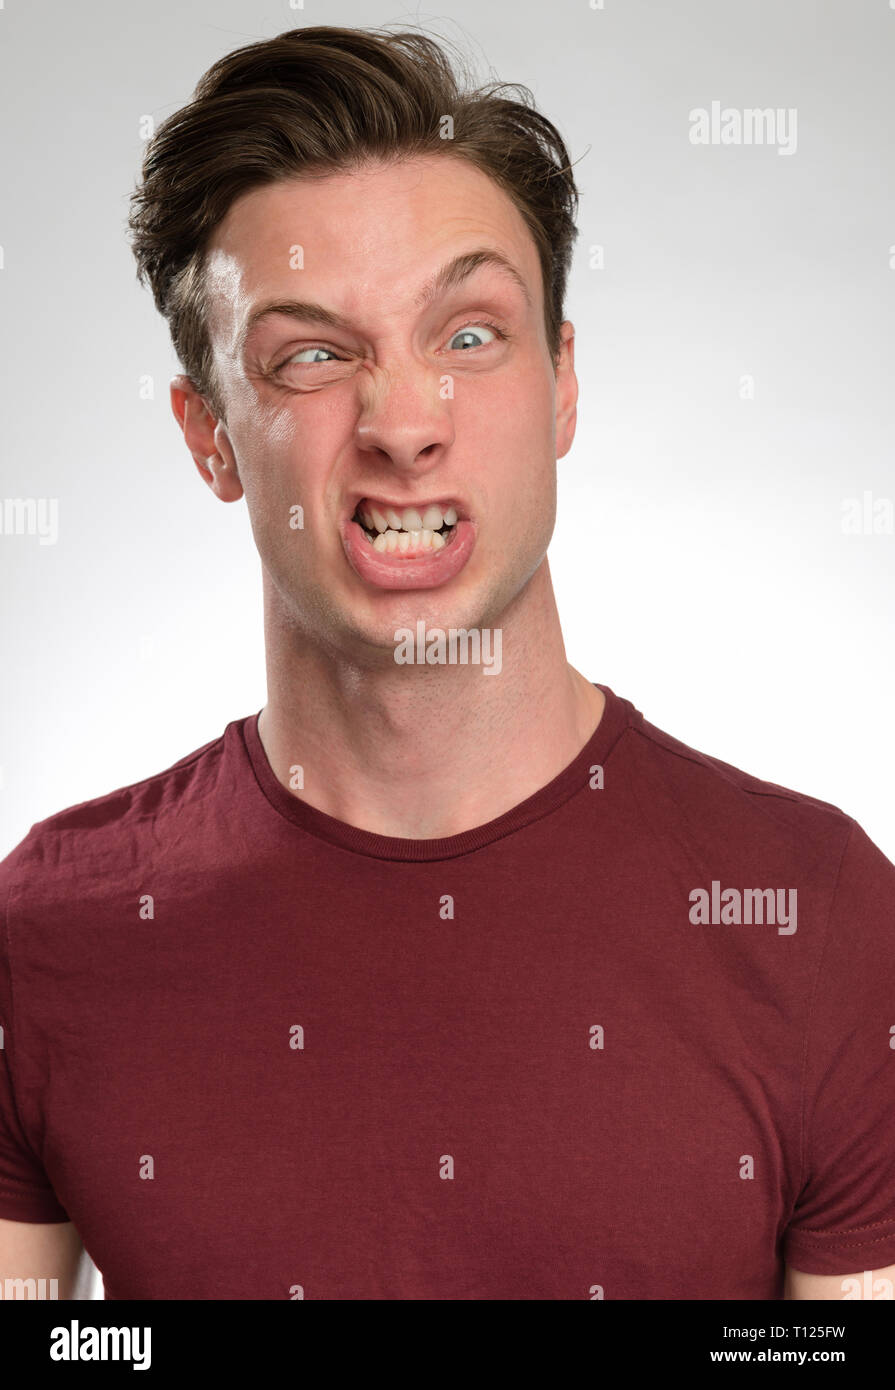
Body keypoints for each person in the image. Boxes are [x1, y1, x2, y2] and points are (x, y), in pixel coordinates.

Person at [1, 25, 893, 1301]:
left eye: (468, 334)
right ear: (208, 438)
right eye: (312, 354)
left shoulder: (820, 918)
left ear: (561, 382)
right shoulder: (44, 934)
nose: (404, 425)